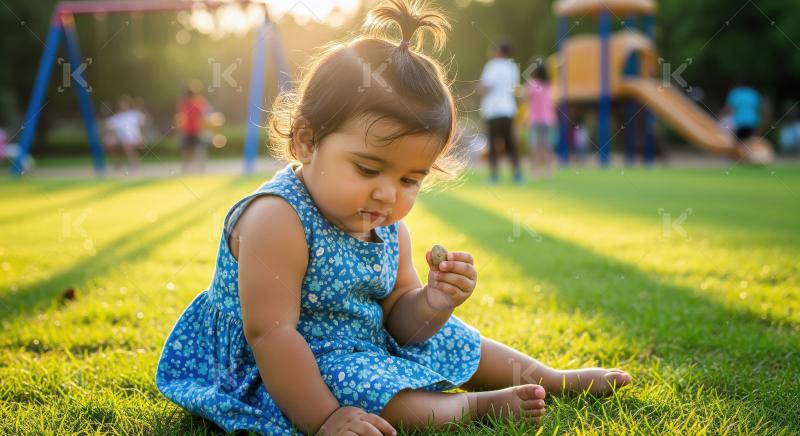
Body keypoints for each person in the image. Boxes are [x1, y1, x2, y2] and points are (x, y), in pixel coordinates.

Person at [155, 1, 631, 435]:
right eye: (367, 169)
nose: (388, 194)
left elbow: (402, 323)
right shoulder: (276, 219)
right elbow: (271, 334)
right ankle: (469, 409)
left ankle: (551, 378)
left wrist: (433, 302)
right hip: (279, 363)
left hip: (360, 341)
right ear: (305, 141)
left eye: (410, 180)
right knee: (355, 382)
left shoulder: (384, 223)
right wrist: (325, 419)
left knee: (450, 337)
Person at [479, 39, 522, 184]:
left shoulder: (492, 65)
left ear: (499, 51)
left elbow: (486, 86)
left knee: (492, 144)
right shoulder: (513, 66)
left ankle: (494, 176)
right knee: (510, 144)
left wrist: (479, 90)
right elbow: (514, 88)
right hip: (508, 109)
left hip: (493, 110)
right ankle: (517, 175)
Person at [523, 63, 556, 179]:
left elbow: (524, 98)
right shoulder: (548, 86)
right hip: (548, 119)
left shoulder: (531, 85)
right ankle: (548, 171)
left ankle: (535, 172)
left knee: (534, 147)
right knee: (547, 146)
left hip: (535, 120)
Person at [104, 95, 146, 173]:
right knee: (109, 141)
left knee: (127, 143)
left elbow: (143, 123)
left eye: (124, 104)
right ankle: (117, 163)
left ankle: (134, 163)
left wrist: (142, 137)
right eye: (121, 105)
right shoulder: (117, 117)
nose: (123, 106)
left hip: (134, 138)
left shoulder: (134, 114)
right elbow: (107, 126)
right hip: (121, 138)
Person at [176, 81, 210, 173]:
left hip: (196, 131)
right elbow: (181, 118)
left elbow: (203, 116)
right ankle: (188, 169)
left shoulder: (197, 104)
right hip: (188, 131)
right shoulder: (185, 104)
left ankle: (199, 169)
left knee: (197, 150)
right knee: (188, 150)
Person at [724, 80, 761, 145]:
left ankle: (739, 153)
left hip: (739, 121)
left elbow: (729, 108)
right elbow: (757, 108)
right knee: (749, 142)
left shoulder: (736, 93)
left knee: (737, 142)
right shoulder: (753, 93)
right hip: (752, 121)